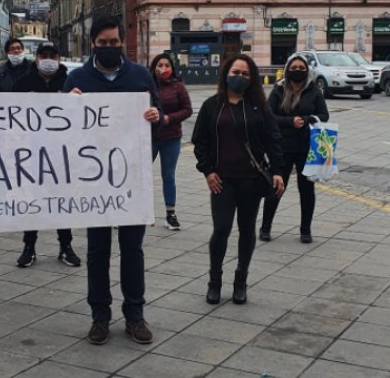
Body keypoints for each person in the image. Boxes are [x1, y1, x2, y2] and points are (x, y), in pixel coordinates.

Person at [64, 17, 162, 346]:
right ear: (92, 43)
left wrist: (155, 116)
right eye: (103, 43)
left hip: (131, 177)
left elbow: (158, 118)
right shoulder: (76, 78)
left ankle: (135, 314)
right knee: (97, 252)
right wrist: (68, 106)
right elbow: (59, 129)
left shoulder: (140, 75)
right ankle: (100, 317)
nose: (109, 47)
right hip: (94, 181)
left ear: (122, 42)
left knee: (132, 250)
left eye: (114, 42)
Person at [192, 54, 285, 306]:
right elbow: (199, 142)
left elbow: (273, 140)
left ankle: (241, 281)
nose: (240, 77)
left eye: (245, 74)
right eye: (235, 72)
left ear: (252, 78)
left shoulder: (259, 107)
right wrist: (208, 171)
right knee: (221, 230)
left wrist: (277, 170)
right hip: (221, 180)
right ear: (225, 73)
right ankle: (214, 281)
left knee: (247, 230)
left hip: (251, 180)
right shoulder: (213, 105)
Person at [12, 41, 81, 268]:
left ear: (59, 59)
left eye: (53, 54)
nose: (48, 59)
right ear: (36, 59)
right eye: (44, 55)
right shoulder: (23, 83)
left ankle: (66, 246)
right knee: (33, 201)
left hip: (63, 153)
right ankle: (29, 247)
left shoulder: (70, 82)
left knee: (62, 201)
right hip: (32, 152)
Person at [260, 55, 328, 243]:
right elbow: (269, 115)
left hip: (308, 148)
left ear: (306, 70)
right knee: (277, 188)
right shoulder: (279, 89)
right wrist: (290, 122)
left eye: (301, 67)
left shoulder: (314, 90)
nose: (297, 70)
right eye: (294, 67)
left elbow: (324, 115)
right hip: (282, 147)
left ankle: (305, 230)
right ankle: (265, 227)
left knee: (307, 190)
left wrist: (305, 120)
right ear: (288, 69)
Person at [149, 53, 193, 230]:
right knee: (140, 175)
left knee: (168, 176)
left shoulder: (178, 86)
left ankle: (170, 214)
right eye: (160, 65)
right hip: (149, 138)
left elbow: (188, 110)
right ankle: (135, 211)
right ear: (153, 67)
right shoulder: (147, 85)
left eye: (167, 65)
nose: (164, 69)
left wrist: (169, 118)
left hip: (171, 137)